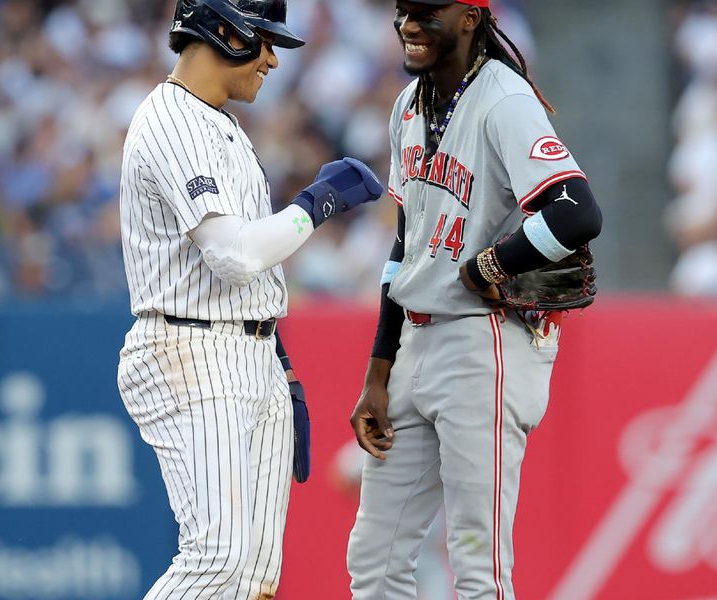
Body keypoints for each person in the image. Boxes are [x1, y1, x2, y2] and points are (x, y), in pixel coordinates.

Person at [115, 1, 383, 598]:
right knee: (220, 559)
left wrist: (277, 357)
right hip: (189, 348)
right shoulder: (171, 122)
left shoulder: (219, 121)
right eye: (263, 40)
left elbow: (245, 271)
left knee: (255, 577)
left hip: (245, 346)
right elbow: (232, 255)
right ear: (223, 31)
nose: (270, 58)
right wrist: (317, 206)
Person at [347, 1, 603, 599]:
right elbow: (406, 241)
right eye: (403, 10)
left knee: (476, 566)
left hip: (482, 342)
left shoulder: (504, 100)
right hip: (415, 340)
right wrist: (378, 370)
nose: (409, 23)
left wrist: (493, 264)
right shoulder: (408, 106)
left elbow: (577, 211)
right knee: (375, 560)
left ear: (469, 16)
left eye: (425, 11)